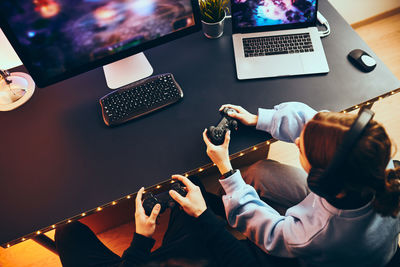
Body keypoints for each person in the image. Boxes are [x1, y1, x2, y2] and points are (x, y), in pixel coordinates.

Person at [202, 102, 400, 267]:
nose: (297, 141)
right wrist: (259, 119)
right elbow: (317, 126)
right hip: (334, 215)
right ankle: (228, 202)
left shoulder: (317, 234)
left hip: (317, 250)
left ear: (319, 180)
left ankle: (228, 206)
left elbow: (273, 232)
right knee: (259, 172)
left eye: (301, 149)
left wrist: (226, 170)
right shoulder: (374, 159)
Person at [55, 175, 265, 267]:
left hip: (144, 261)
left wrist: (141, 241)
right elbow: (242, 262)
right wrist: (203, 214)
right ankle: (222, 209)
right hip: (197, 258)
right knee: (187, 187)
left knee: (66, 233)